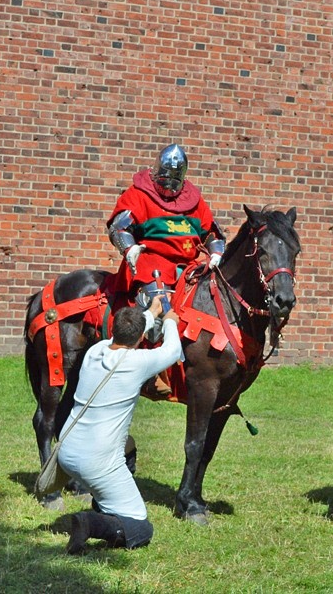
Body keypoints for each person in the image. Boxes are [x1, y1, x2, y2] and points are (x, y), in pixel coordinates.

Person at [58, 296, 181, 554]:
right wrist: (169, 321)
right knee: (139, 526)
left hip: (67, 450)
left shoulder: (96, 350)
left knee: (129, 445)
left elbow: (129, 332)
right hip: (97, 461)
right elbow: (171, 351)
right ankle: (90, 523)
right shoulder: (138, 362)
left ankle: (105, 503)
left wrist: (150, 312)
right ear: (139, 339)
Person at [107, 144, 226, 301]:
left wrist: (217, 254)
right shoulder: (139, 195)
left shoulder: (193, 201)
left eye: (175, 179)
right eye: (166, 178)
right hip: (151, 263)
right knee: (157, 307)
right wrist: (129, 248)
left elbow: (211, 233)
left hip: (189, 268)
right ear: (157, 172)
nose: (169, 184)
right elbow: (119, 227)